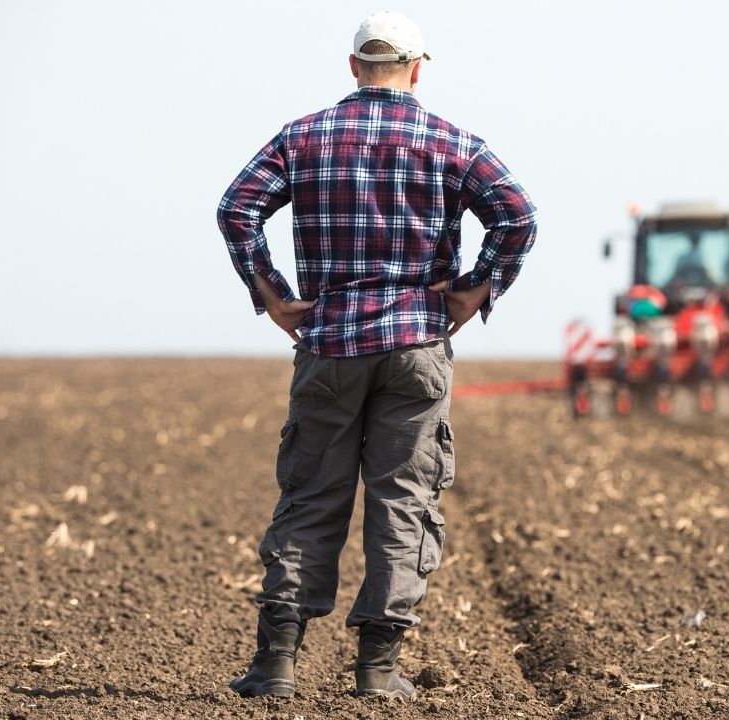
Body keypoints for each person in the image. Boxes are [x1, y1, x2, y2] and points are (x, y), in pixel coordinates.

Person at [215, 10, 537, 700]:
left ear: (354, 67)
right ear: (418, 69)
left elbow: (236, 208)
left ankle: (276, 666)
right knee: (404, 502)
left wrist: (271, 294)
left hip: (329, 342)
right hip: (417, 345)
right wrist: (476, 289)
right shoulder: (452, 142)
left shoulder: (302, 137)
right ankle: (378, 671)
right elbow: (518, 215)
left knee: (311, 497)